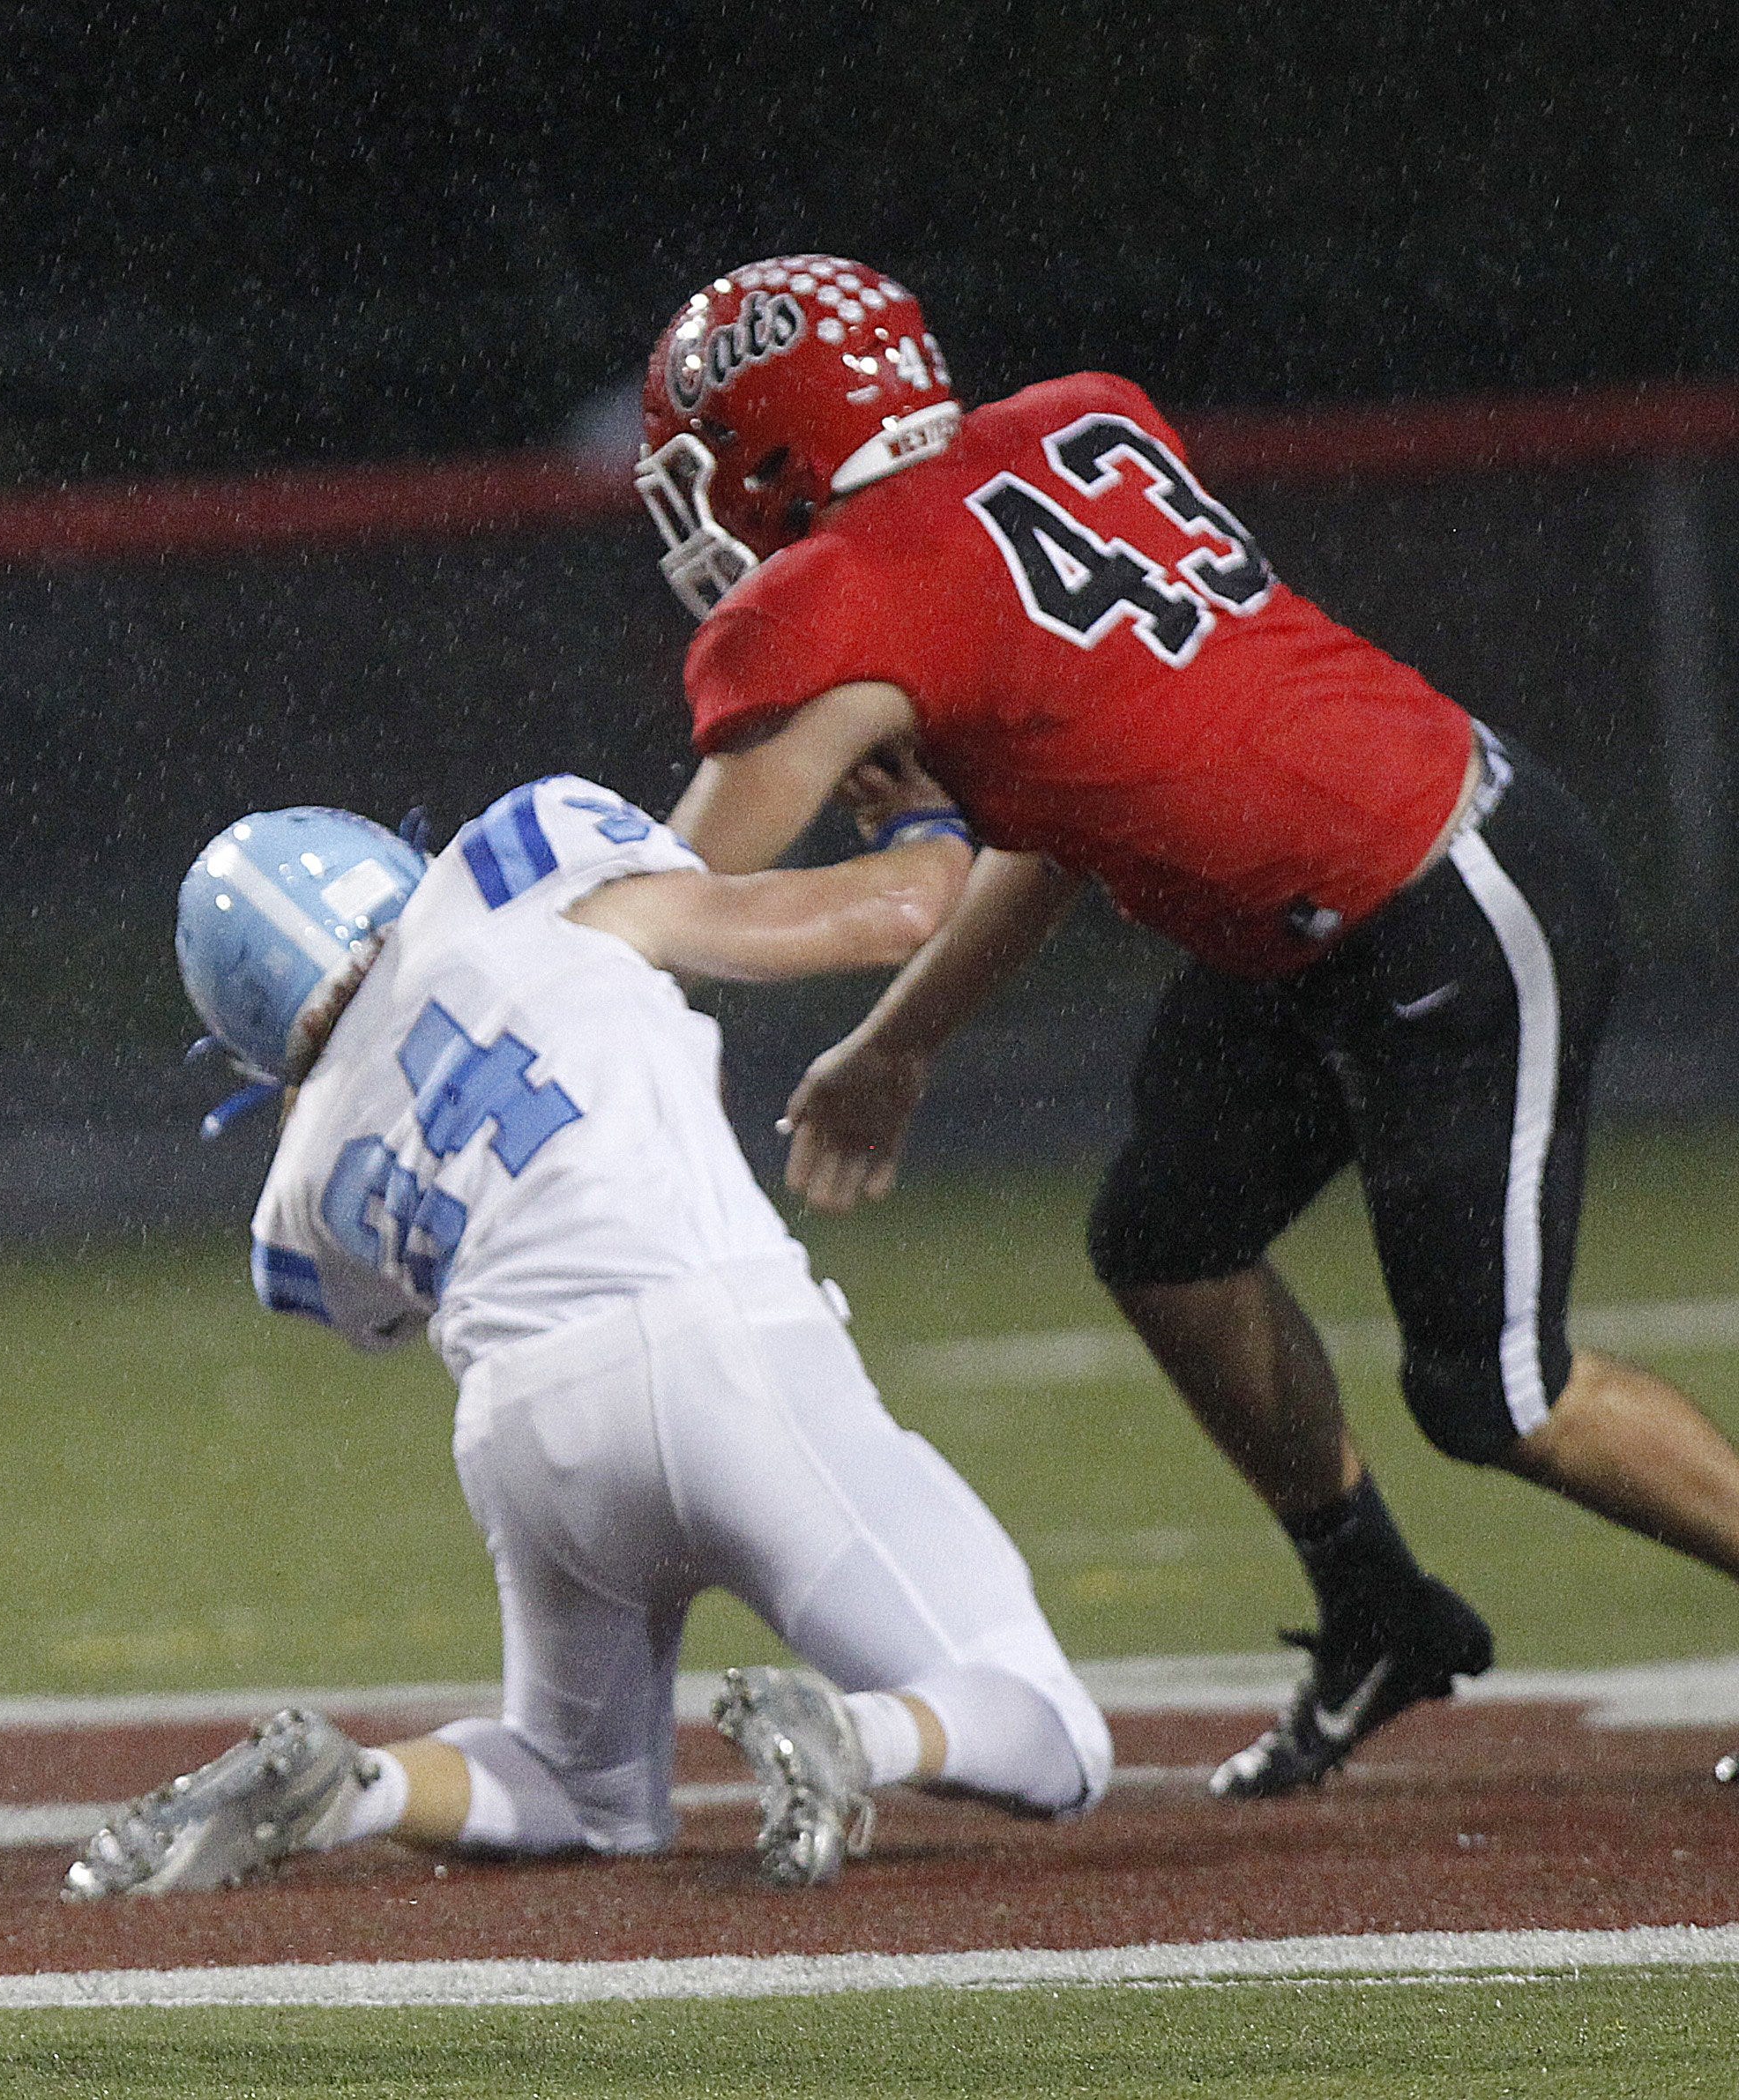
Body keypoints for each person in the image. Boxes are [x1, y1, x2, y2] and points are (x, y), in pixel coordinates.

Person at [639, 253, 1739, 1796]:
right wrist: (898, 1043)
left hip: (1449, 898)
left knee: (1494, 1393)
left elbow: (685, 885)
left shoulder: (847, 590)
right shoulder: (1068, 425)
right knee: (1165, 1235)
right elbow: (1073, 802)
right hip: (1312, 923)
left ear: (765, 447)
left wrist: (519, 945)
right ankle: (1378, 1609)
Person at [65, 777, 1113, 1897]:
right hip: (723, 1350)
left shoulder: (302, 1191)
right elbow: (894, 915)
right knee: (1050, 1728)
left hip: (529, 1439)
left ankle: (358, 1785)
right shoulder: (513, 868)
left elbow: (372, 1282)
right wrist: (927, 817)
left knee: (582, 1790)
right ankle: (856, 1736)